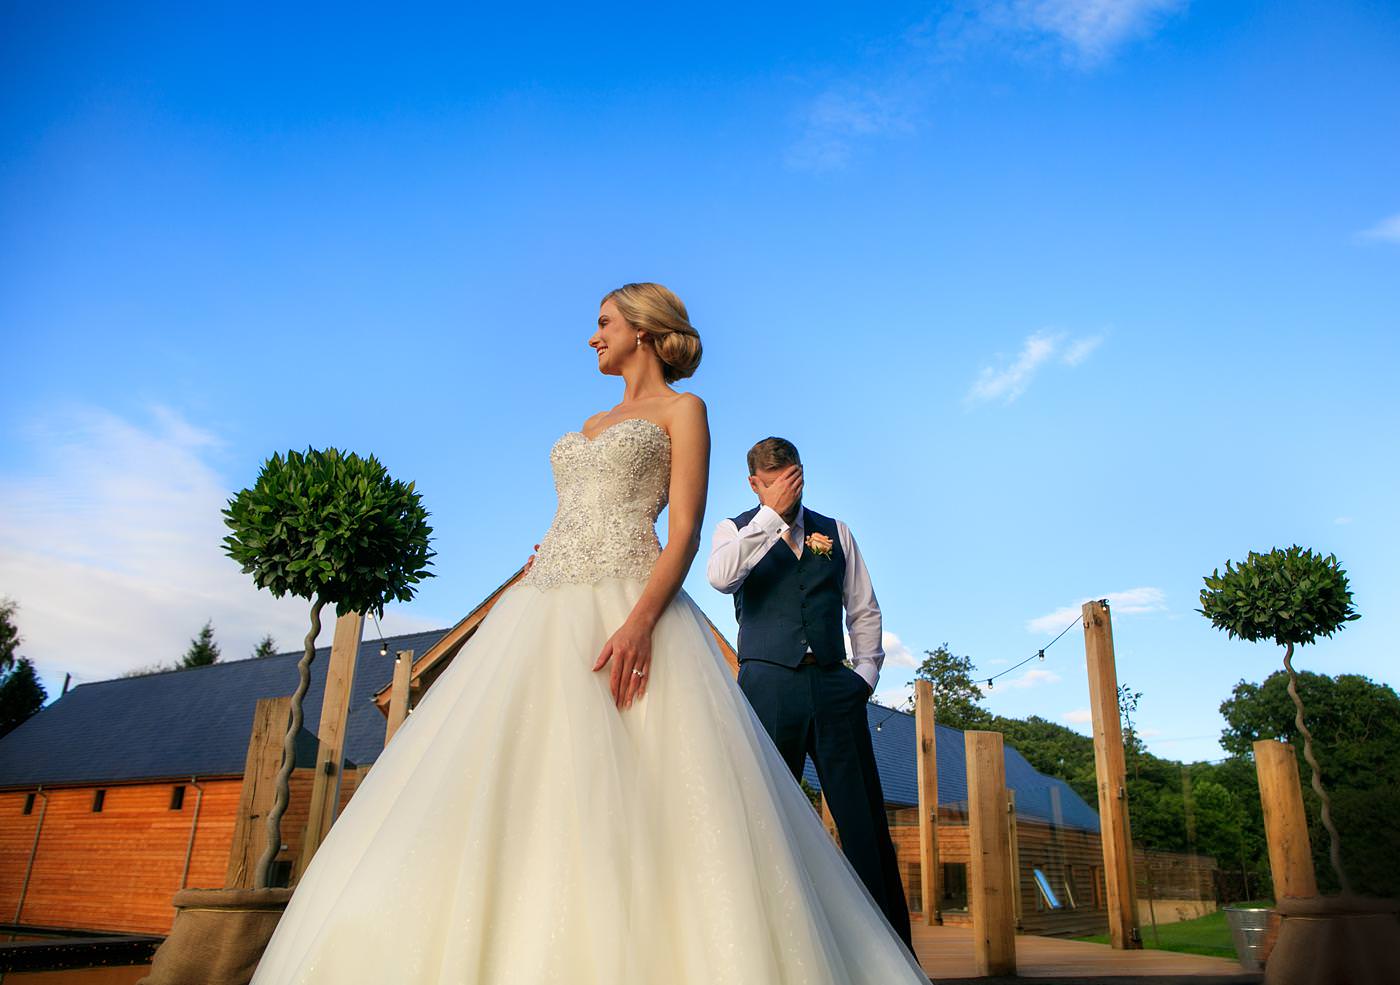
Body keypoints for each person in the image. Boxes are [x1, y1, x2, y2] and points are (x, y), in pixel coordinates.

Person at [249, 283, 930, 984]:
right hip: (543, 600)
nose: (592, 336)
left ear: (643, 330)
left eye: (604, 322)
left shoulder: (684, 410)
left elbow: (685, 534)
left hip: (633, 602)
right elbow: (573, 513)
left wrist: (639, 623)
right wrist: (547, 555)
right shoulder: (592, 421)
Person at [707, 438, 914, 950]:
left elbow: (863, 608)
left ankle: (892, 952)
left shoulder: (836, 531)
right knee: (766, 815)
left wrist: (863, 677)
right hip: (767, 687)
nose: (785, 490)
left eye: (792, 479)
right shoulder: (734, 529)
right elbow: (720, 579)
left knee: (863, 821)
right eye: (772, 482)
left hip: (833, 686)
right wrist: (770, 517)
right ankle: (770, 948)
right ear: (754, 484)